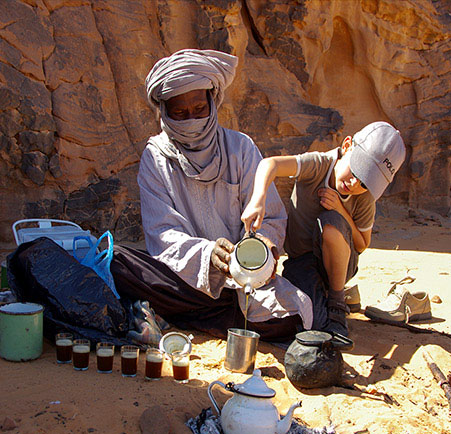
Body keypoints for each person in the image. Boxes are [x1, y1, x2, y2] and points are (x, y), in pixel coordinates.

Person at [111, 48, 312, 339]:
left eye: (198, 110)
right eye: (179, 113)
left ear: (212, 102)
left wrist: (263, 248)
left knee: (293, 315)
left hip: (242, 283)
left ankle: (177, 315)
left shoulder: (241, 148)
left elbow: (270, 215)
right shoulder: (155, 157)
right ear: (164, 111)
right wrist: (208, 256)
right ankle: (204, 315)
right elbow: (163, 234)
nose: (191, 120)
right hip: (184, 280)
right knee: (117, 260)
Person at [241, 121, 406, 340]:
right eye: (357, 169)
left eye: (366, 182)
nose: (355, 183)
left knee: (331, 221)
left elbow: (362, 244)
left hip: (341, 264)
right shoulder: (319, 164)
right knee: (315, 324)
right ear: (347, 146)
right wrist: (258, 198)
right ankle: (328, 299)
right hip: (301, 262)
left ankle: (337, 303)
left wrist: (341, 211)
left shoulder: (364, 197)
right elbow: (270, 165)